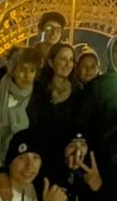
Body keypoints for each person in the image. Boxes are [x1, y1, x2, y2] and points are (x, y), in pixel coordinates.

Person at [29, 41, 79, 182]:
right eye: (63, 59)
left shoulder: (78, 94)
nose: (68, 64)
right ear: (51, 62)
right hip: (35, 160)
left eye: (71, 60)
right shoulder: (36, 89)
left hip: (63, 164)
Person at [0, 46, 40, 164]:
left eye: (32, 70)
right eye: (23, 69)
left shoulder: (38, 102)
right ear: (13, 71)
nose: (27, 75)